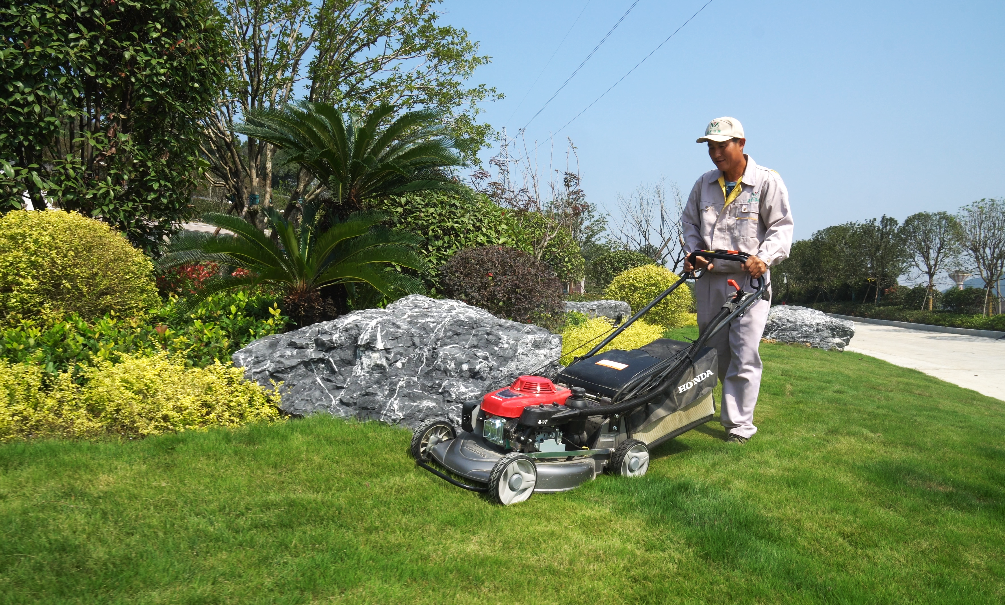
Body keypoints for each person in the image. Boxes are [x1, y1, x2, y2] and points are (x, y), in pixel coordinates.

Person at [681, 117, 794, 444]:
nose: (716, 153)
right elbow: (689, 222)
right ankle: (713, 408)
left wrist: (765, 258)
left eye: (722, 146)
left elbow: (781, 227)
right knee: (714, 352)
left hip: (749, 282)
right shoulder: (704, 184)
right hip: (711, 279)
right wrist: (694, 252)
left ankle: (739, 427)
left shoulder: (766, 182)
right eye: (711, 147)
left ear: (741, 144)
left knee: (744, 353)